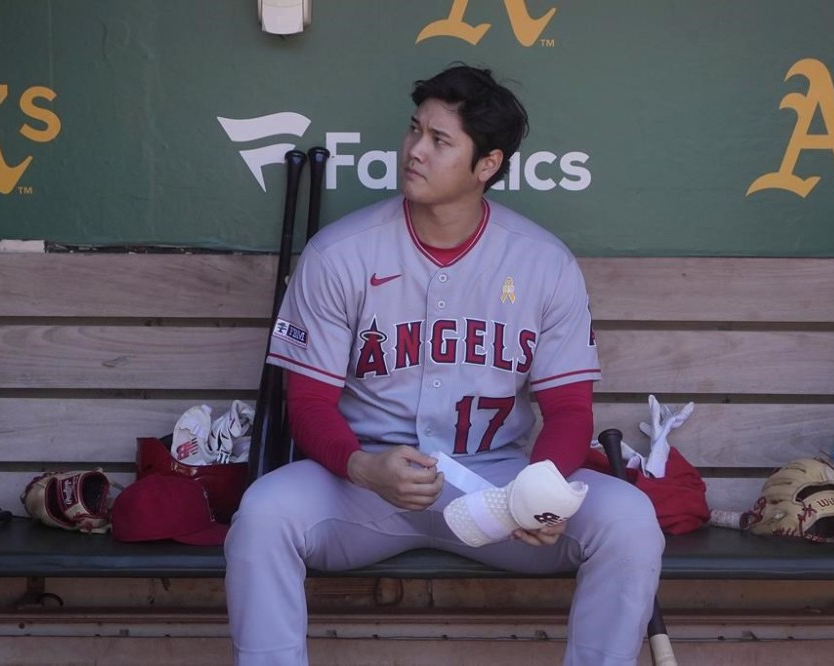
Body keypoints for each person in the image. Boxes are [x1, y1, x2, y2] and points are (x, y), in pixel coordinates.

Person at [224, 64, 664, 666]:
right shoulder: (340, 253)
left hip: (498, 485)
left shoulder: (543, 262)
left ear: (486, 165)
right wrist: (360, 465)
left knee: (631, 519)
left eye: (439, 141)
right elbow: (307, 404)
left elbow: (568, 409)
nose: (414, 151)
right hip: (365, 487)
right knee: (264, 514)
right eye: (414, 131)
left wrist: (539, 494)